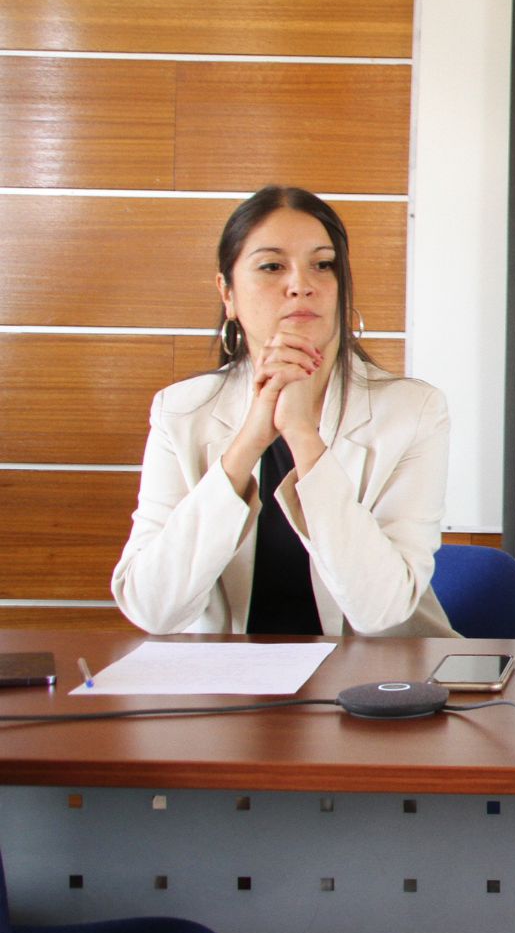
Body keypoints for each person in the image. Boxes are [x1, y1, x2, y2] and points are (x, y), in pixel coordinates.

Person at [111, 187, 456, 637]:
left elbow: (380, 611)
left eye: (323, 265)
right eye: (272, 266)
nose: (301, 285)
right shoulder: (181, 412)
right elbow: (152, 608)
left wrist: (302, 435)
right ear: (227, 293)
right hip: (229, 675)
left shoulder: (413, 411)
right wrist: (247, 444)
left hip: (379, 670)